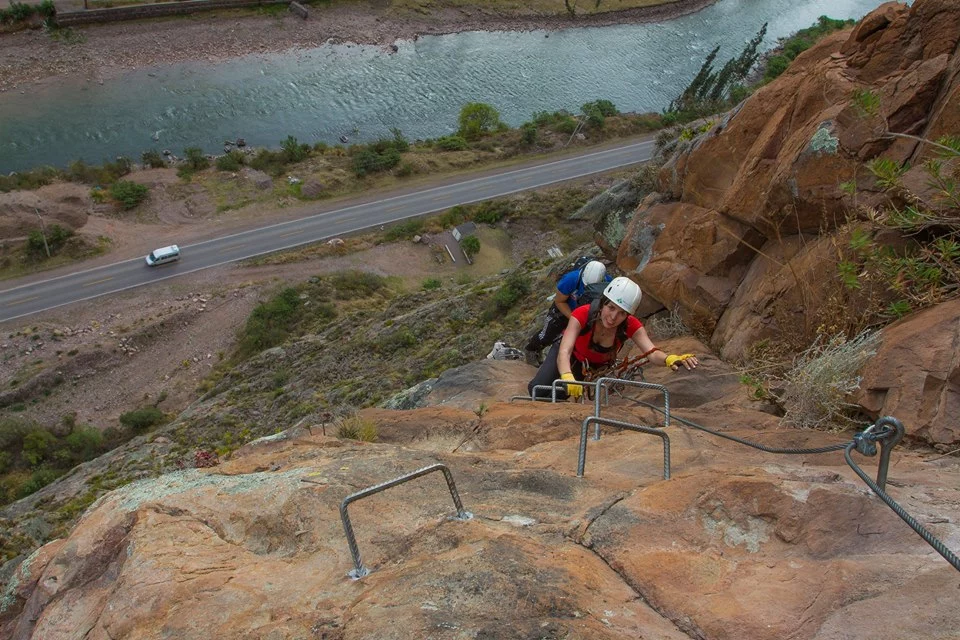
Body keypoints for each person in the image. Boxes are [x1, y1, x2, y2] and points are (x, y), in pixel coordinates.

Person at [527, 276, 699, 399]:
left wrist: (669, 359)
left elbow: (652, 352)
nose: (613, 317)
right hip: (569, 353)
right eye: (611, 308)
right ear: (603, 303)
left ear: (628, 315)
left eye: (622, 313)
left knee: (560, 395)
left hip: (589, 365)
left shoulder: (631, 325)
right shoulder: (583, 313)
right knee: (537, 388)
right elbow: (565, 350)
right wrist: (566, 374)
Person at [524, 260, 609, 364]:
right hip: (564, 309)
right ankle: (532, 350)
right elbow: (559, 301)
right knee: (548, 333)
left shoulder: (607, 283)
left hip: (586, 313)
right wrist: (573, 317)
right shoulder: (571, 279)